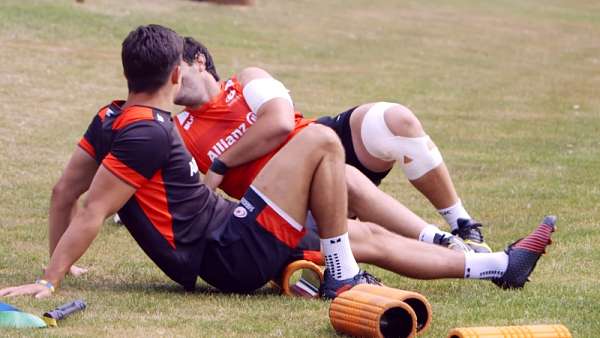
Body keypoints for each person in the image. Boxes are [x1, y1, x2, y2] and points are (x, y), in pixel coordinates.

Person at [0, 25, 554, 301]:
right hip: (227, 249)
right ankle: (341, 275)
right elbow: (93, 208)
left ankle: (500, 267)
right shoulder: (150, 131)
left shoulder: (110, 116)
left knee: (362, 232)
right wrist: (50, 280)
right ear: (175, 75)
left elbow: (61, 193)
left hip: (228, 237)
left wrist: (63, 264)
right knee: (321, 143)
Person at [174, 37, 488, 252]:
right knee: (344, 179)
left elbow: (281, 123)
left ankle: (462, 225)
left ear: (199, 61)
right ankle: (439, 243)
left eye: (176, 69)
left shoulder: (245, 79)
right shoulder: (178, 130)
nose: (171, 80)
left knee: (395, 120)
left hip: (322, 143)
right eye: (165, 76)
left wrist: (221, 163)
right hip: (286, 199)